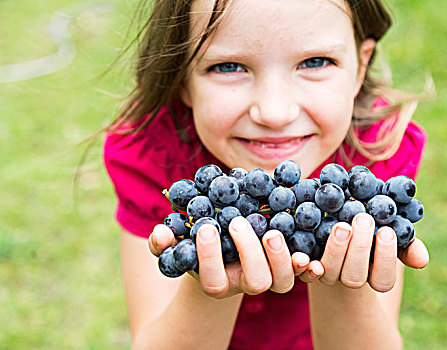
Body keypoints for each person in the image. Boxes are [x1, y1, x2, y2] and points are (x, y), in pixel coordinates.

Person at [103, 0, 430, 348]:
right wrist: (210, 279)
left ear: (359, 68)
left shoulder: (375, 155)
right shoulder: (154, 155)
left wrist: (343, 279)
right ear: (180, 77)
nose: (274, 113)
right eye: (228, 66)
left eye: (315, 62)